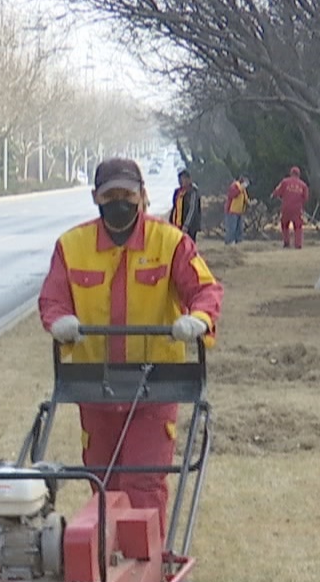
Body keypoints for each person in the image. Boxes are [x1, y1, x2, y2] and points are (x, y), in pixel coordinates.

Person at [39, 157, 222, 515]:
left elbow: (206, 289)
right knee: (102, 480)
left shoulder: (170, 242)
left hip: (157, 384)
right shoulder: (71, 246)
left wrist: (198, 319)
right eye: (110, 195)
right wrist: (59, 321)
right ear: (96, 197)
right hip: (95, 384)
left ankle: (147, 564)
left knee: (144, 480)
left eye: (127, 193)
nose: (119, 202)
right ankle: (104, 558)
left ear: (142, 196)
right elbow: (53, 298)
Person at [272, 167, 310, 249]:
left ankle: (286, 243)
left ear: (291, 173)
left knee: (285, 225)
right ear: (299, 174)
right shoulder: (303, 185)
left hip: (286, 207)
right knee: (298, 226)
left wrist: (274, 195)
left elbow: (277, 192)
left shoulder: (285, 182)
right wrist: (301, 203)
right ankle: (298, 244)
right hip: (297, 208)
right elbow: (306, 198)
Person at [167, 168, 203, 239]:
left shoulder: (193, 192)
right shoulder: (177, 192)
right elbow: (175, 207)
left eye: (184, 179)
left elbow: (192, 209)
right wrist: (170, 221)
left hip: (189, 227)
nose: (181, 181)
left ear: (189, 179)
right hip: (176, 224)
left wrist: (186, 225)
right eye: (180, 179)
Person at [223, 175, 250, 244]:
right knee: (232, 229)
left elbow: (245, 199)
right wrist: (241, 188)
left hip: (239, 211)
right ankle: (230, 243)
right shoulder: (234, 185)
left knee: (239, 229)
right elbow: (233, 194)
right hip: (231, 211)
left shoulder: (243, 189)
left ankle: (238, 242)